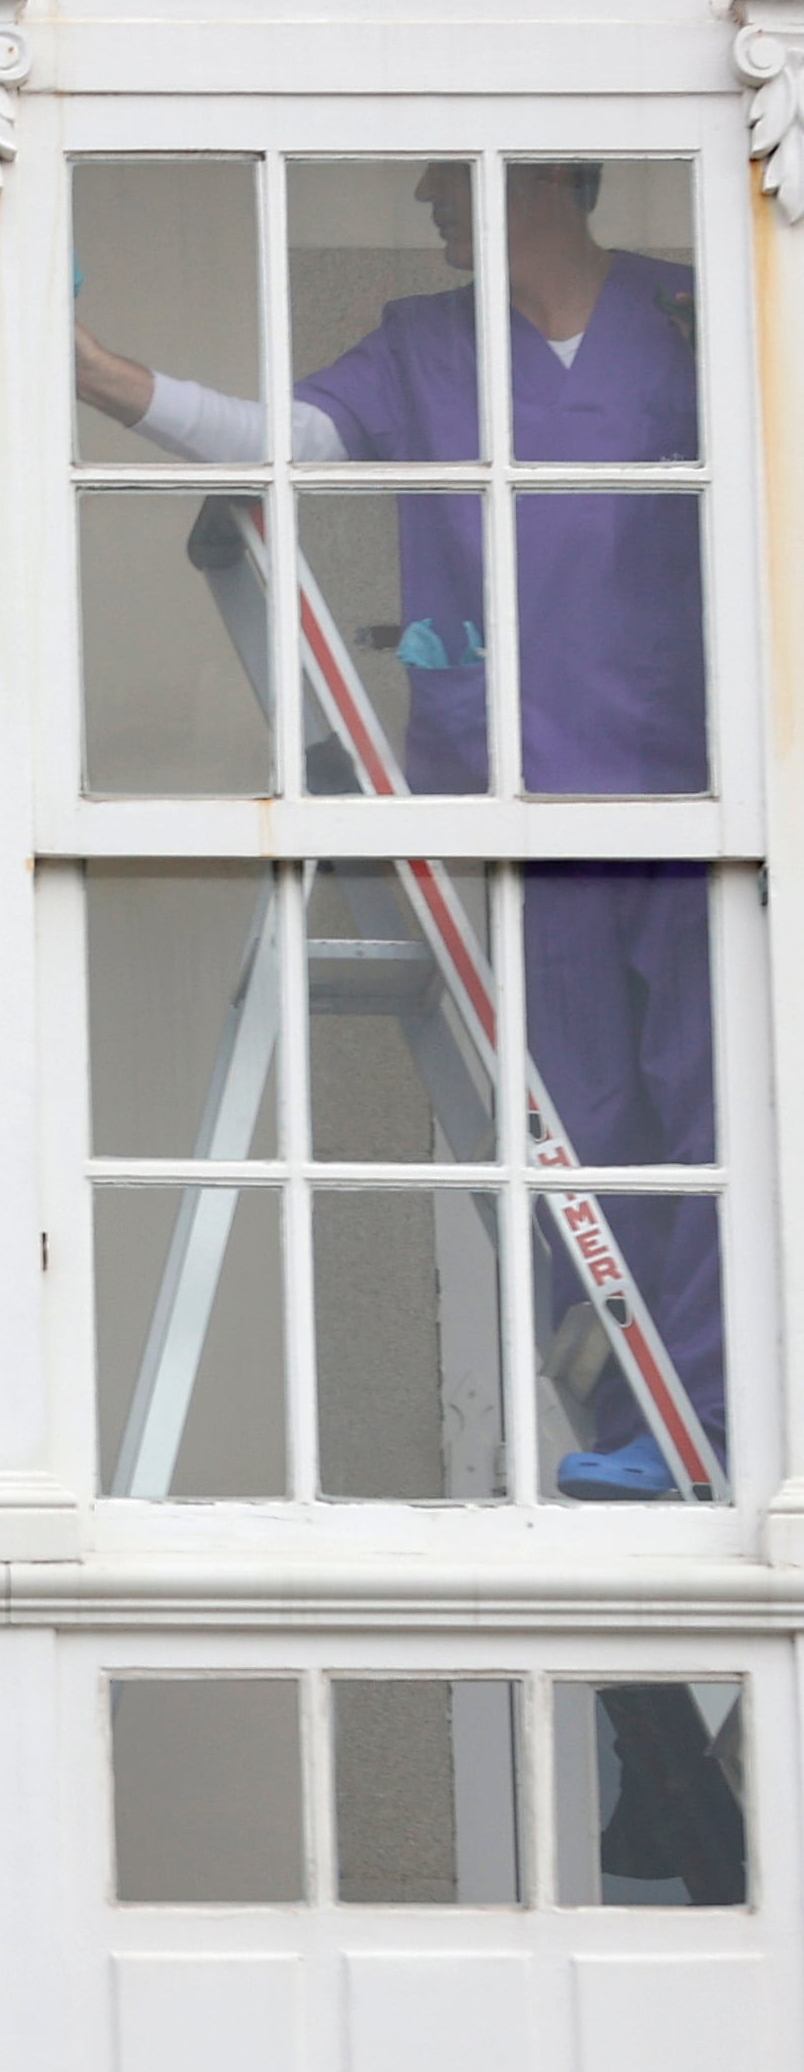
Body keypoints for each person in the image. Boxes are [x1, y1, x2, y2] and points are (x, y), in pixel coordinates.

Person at [76, 158, 718, 1494]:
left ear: (549, 177)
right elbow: (277, 441)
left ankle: (719, 1417)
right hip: (525, 790)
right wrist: (103, 378)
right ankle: (633, 1435)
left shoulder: (691, 319)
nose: (428, 194)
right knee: (577, 1121)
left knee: (716, 1117)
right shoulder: (424, 345)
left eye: (453, 170)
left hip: (701, 788)